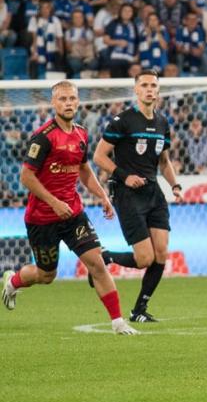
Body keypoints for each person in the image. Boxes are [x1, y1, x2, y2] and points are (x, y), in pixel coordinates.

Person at [2, 81, 137, 336]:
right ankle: (13, 281)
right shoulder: (43, 137)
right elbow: (26, 177)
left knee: (97, 263)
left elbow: (84, 170)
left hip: (73, 214)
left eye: (72, 99)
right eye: (62, 99)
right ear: (54, 103)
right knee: (45, 275)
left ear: (77, 101)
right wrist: (54, 202)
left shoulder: (81, 134)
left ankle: (118, 321)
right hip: (42, 218)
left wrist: (103, 197)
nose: (68, 103)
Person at [92, 70, 183, 323]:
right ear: (136, 90)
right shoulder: (122, 121)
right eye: (144, 85)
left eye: (153, 85)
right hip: (128, 194)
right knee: (145, 258)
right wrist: (124, 176)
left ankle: (139, 310)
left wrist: (175, 185)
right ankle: (106, 257)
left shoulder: (163, 123)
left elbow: (164, 161)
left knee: (162, 253)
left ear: (158, 90)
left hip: (154, 192)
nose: (149, 89)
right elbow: (99, 156)